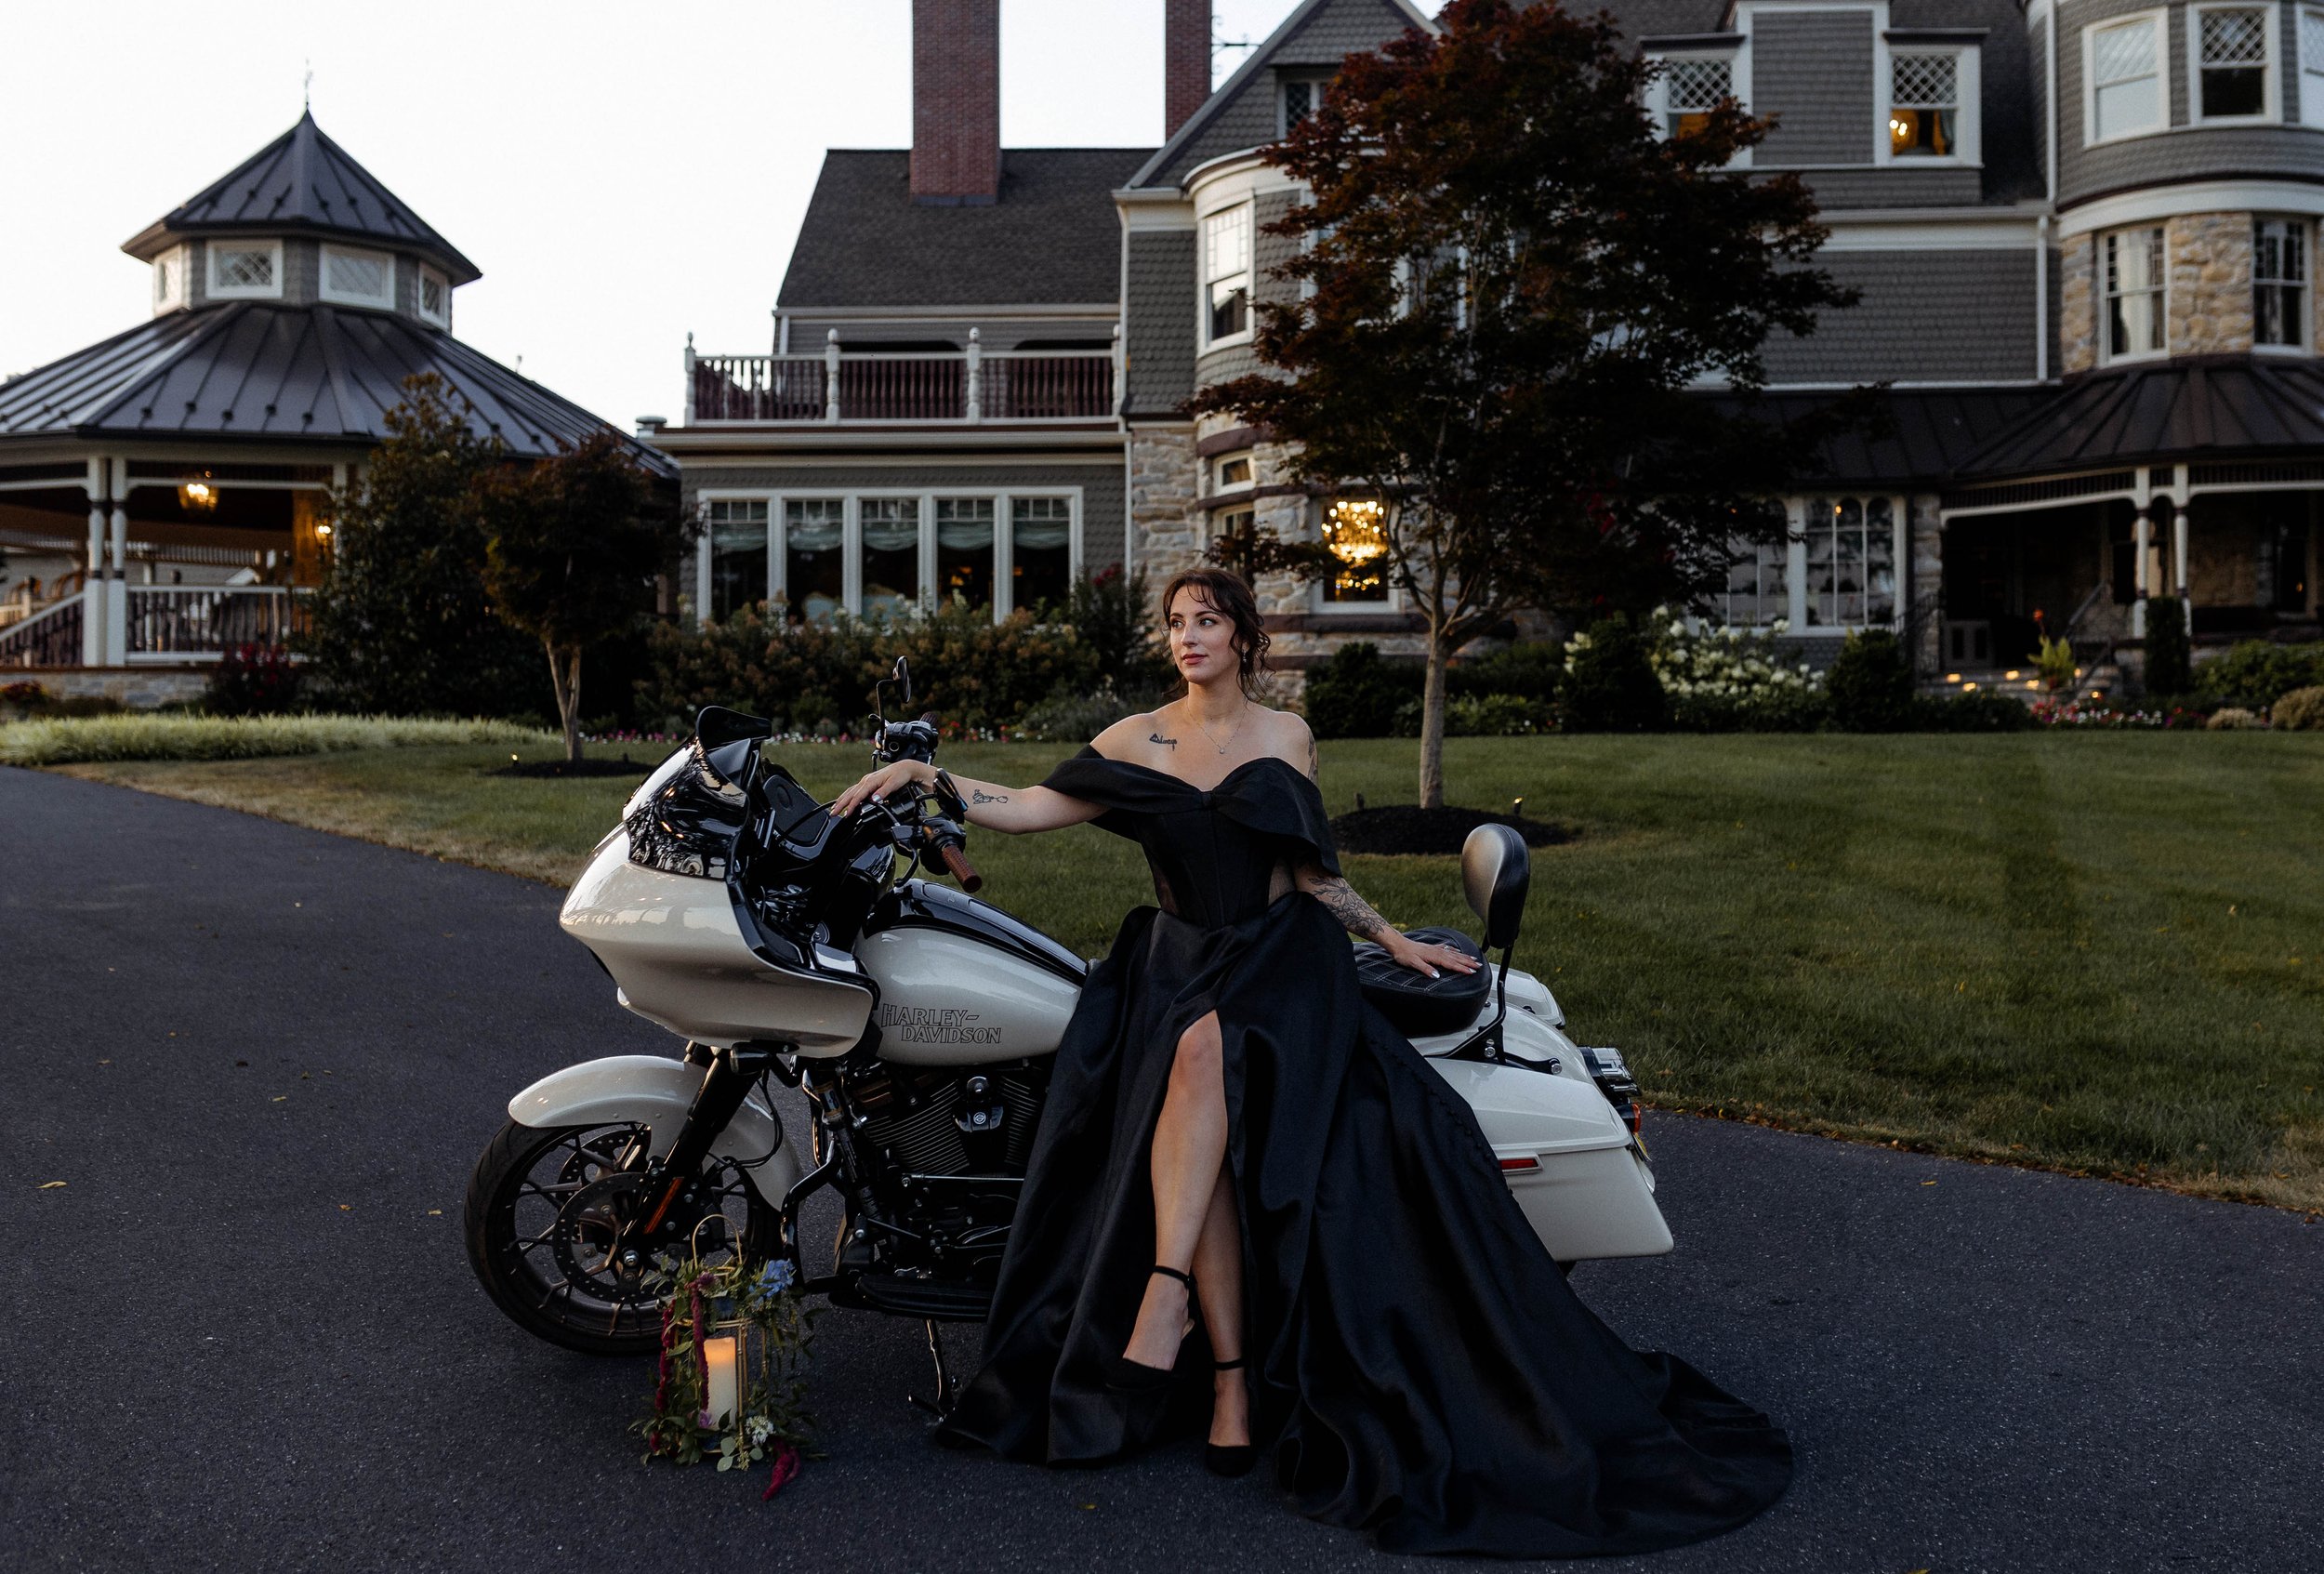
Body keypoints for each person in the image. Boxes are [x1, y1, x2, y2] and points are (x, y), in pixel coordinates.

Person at [830, 567, 1790, 1557]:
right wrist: (924, 779)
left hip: (1283, 963)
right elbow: (1028, 806)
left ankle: (1169, 1307)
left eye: (1207, 620)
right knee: (1196, 1046)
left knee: (1203, 1051)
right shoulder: (1136, 737)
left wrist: (1391, 939)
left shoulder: (1288, 736)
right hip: (1177, 960)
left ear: (1244, 636)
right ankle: (1232, 1384)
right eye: (1175, 623)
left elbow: (1308, 872)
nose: (1187, 636)